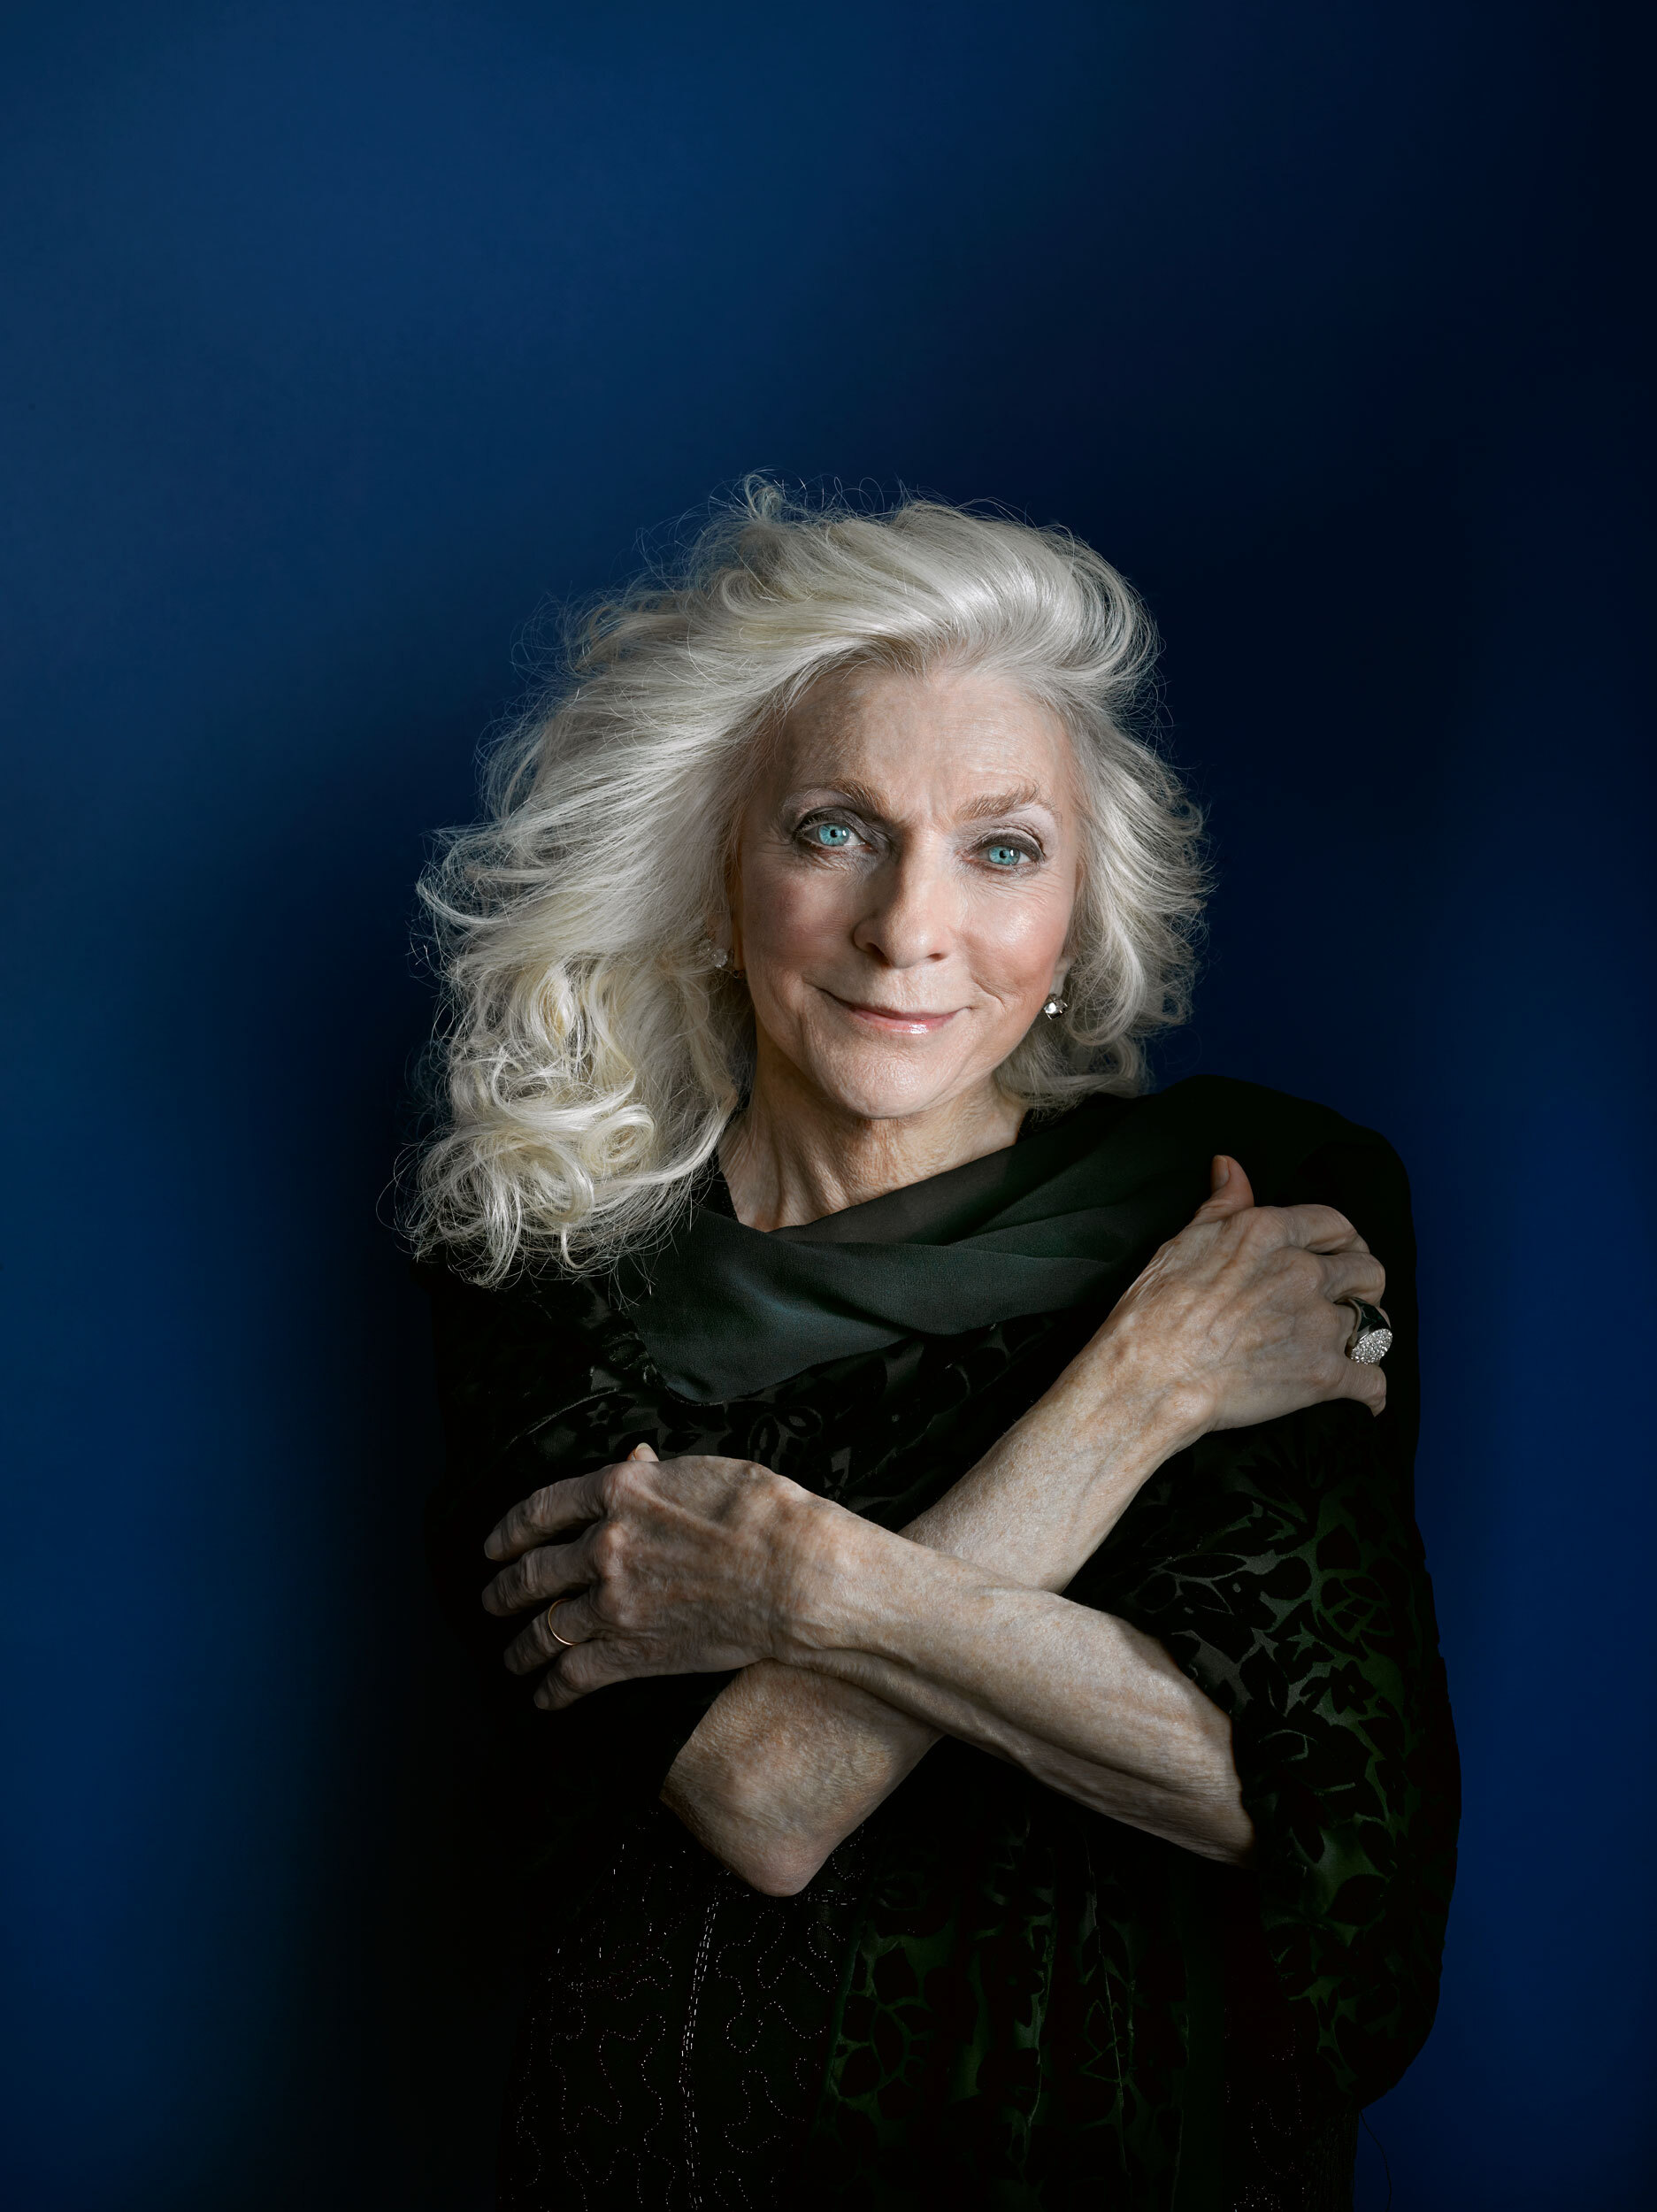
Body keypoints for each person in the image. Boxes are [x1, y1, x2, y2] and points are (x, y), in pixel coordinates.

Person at [411, 482, 1458, 2211]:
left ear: (1079, 908)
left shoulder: (1249, 1211)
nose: (909, 928)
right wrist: (1139, 1395)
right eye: (834, 829)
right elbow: (759, 1793)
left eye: (1001, 847)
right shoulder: (555, 1269)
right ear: (716, 867)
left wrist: (806, 1584)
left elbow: (1316, 1834)